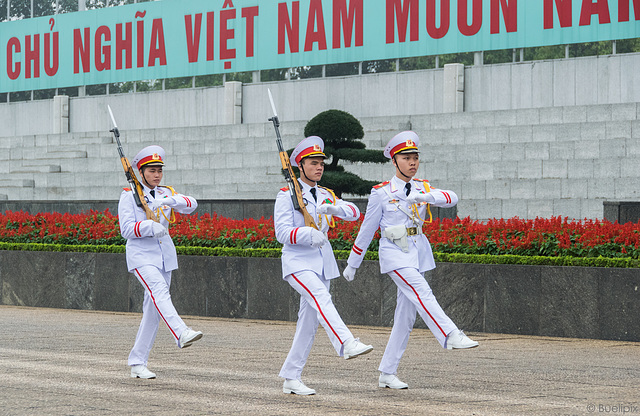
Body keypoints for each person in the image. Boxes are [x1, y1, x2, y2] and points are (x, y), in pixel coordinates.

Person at [343, 131, 478, 390]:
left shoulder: (423, 187)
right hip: (395, 254)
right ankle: (450, 334)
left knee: (405, 317)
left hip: (416, 253)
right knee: (421, 290)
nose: (412, 162)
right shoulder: (382, 193)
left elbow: (452, 198)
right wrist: (353, 263)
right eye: (406, 158)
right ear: (394, 162)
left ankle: (387, 372)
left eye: (415, 157)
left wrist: (426, 197)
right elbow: (367, 229)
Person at [274, 136, 373, 395]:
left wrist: (335, 209)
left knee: (308, 323)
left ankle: (291, 377)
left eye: (321, 163)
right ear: (300, 165)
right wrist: (306, 234)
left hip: (321, 262)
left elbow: (354, 213)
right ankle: (346, 342)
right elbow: (282, 233)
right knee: (321, 297)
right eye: (313, 163)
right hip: (297, 261)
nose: (319, 167)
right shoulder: (286, 195)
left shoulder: (326, 194)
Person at [118, 145, 203, 379]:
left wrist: (171, 201)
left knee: (153, 311)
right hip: (141, 256)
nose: (157, 175)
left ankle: (137, 362)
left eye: (159, 170)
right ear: (141, 171)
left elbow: (192, 205)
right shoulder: (130, 195)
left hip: (165, 257)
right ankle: (181, 332)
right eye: (152, 170)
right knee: (159, 292)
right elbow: (126, 229)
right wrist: (148, 226)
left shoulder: (165, 193)